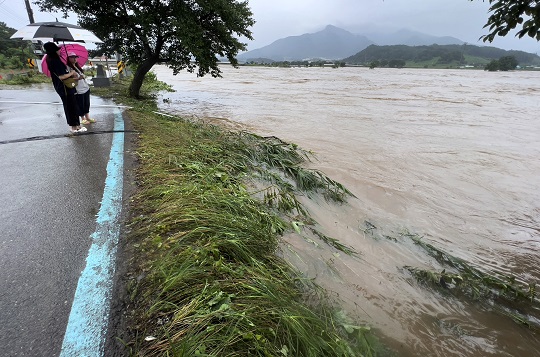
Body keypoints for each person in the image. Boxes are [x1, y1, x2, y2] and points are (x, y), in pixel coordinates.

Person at [43, 42, 86, 134]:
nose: (59, 51)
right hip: (65, 88)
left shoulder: (50, 59)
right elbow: (61, 76)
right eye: (57, 49)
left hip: (63, 87)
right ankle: (73, 127)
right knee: (70, 107)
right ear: (54, 51)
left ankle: (77, 125)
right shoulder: (55, 61)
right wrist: (71, 73)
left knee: (72, 106)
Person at [66, 52, 95, 125]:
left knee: (86, 103)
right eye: (72, 57)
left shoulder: (77, 66)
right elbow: (69, 80)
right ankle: (83, 118)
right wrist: (77, 78)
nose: (75, 58)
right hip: (78, 89)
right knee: (80, 104)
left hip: (85, 87)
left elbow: (82, 75)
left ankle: (88, 117)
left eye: (76, 57)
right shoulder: (68, 68)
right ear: (69, 58)